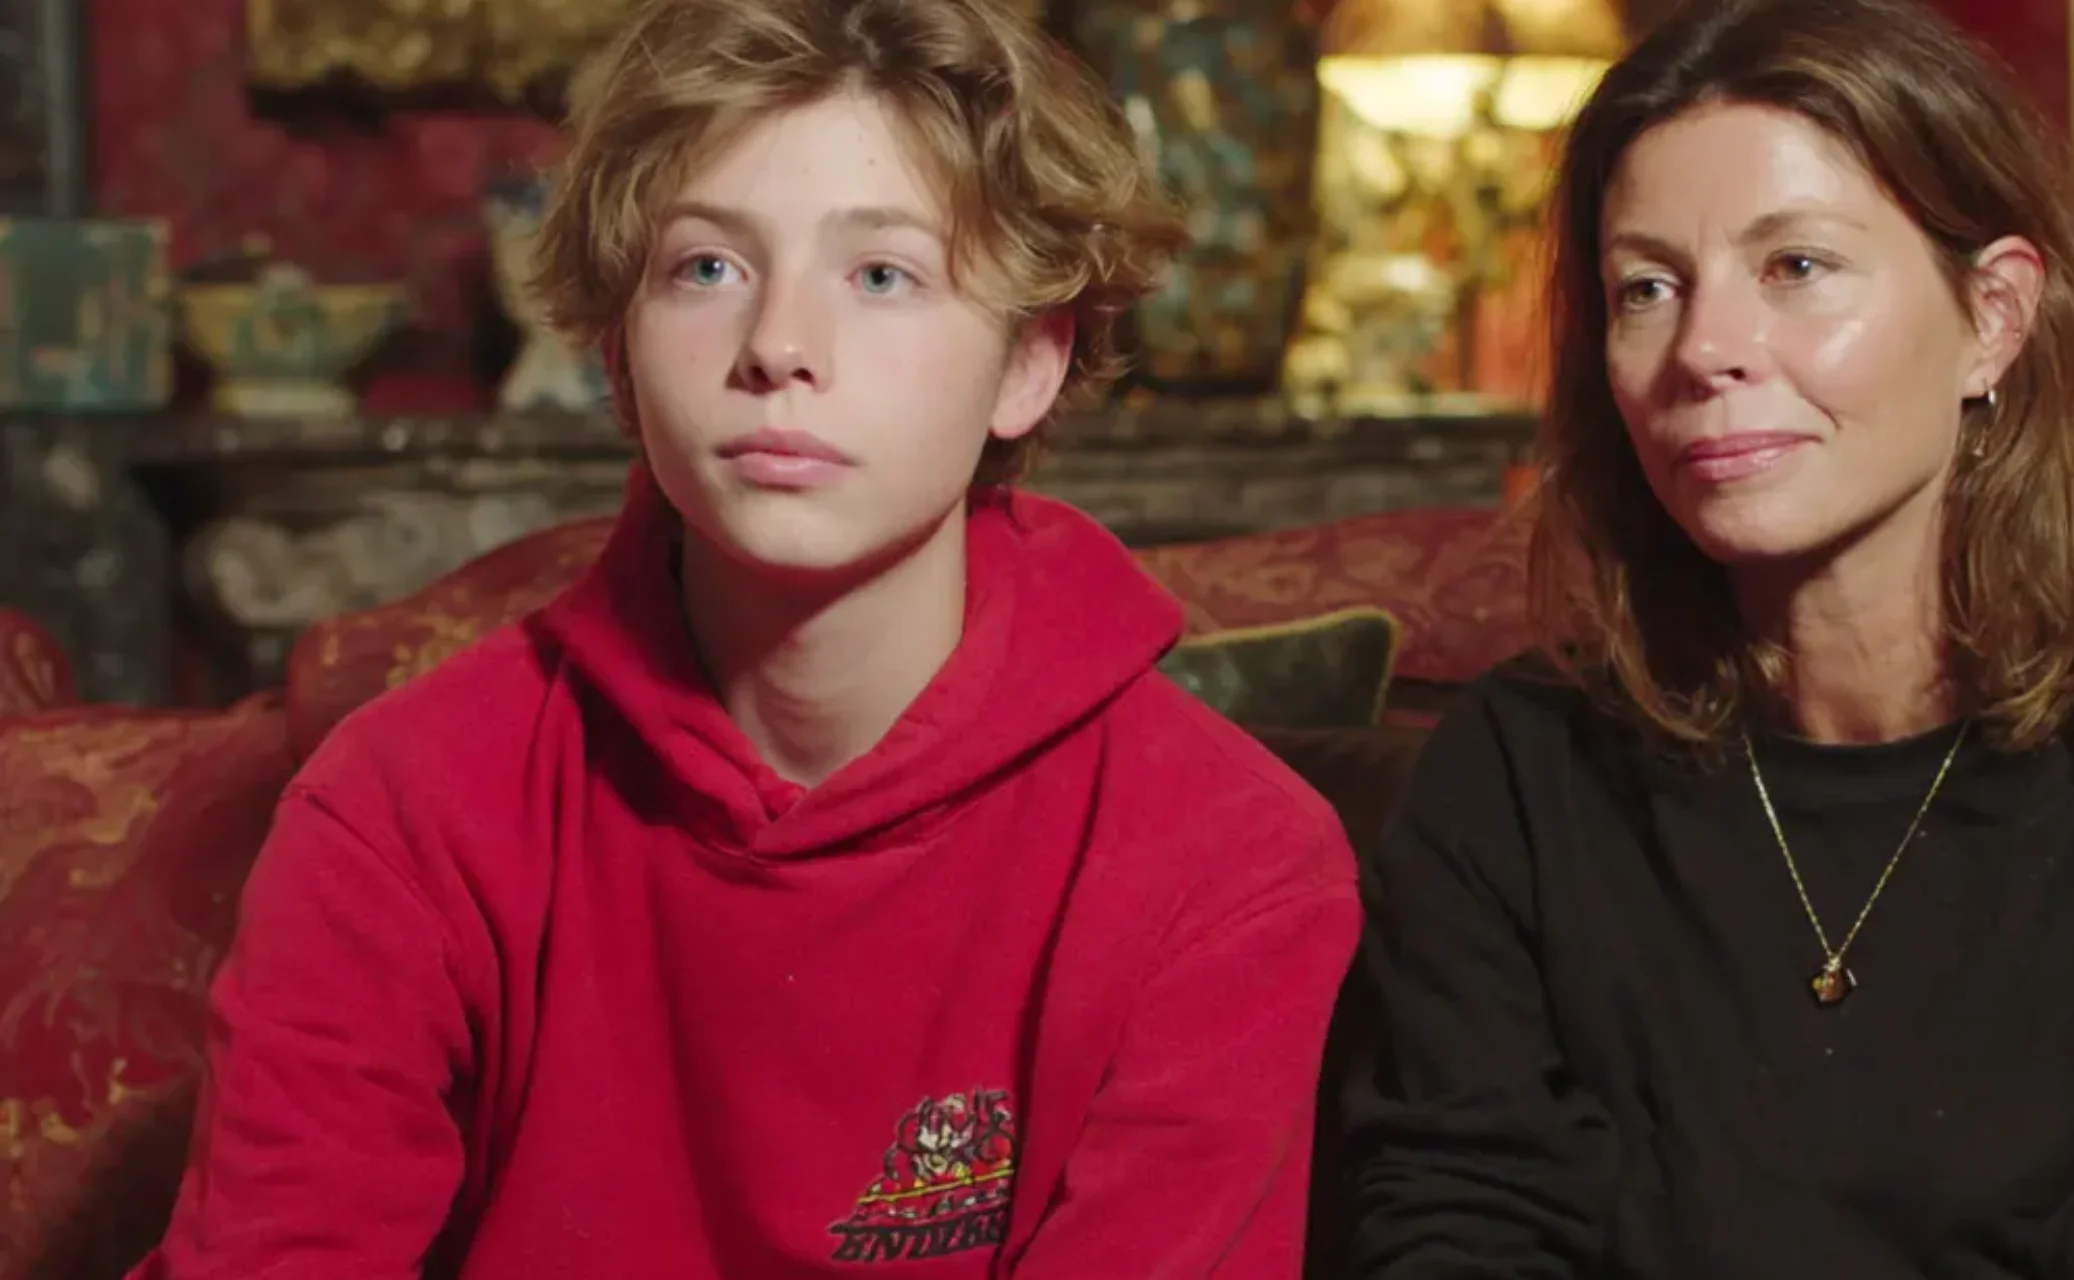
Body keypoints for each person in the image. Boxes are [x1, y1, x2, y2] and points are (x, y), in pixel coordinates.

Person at [131, 0, 1361, 1274]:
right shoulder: (399, 806)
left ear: (1029, 364)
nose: (778, 346)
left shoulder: (1228, 861)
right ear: (618, 355)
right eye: (705, 269)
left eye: (882, 274)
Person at [1335, 0, 2074, 1275]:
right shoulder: (1515, 768)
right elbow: (1456, 1226)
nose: (1704, 349)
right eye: (1647, 287)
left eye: (1796, 267)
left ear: (1991, 317)